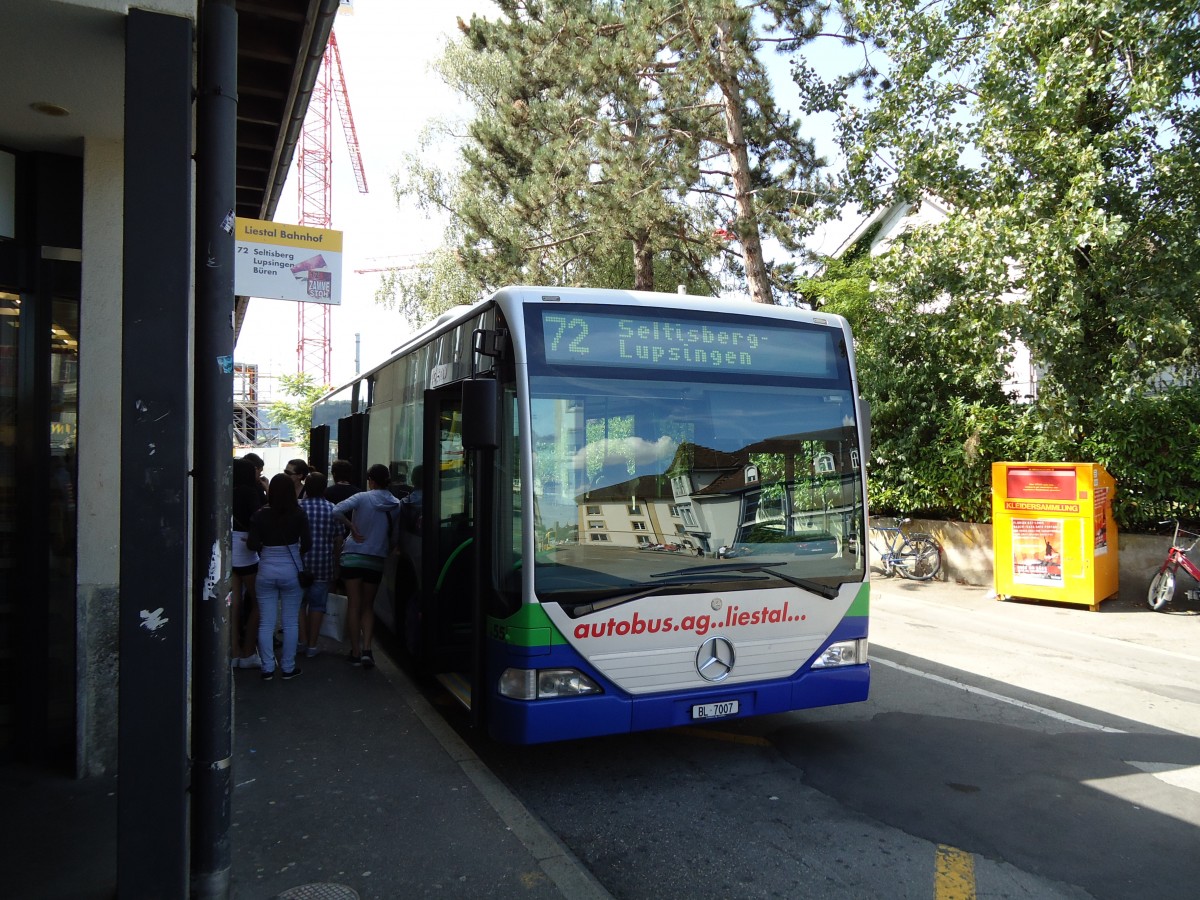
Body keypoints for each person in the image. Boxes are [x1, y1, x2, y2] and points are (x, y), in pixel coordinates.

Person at [332, 463, 400, 668]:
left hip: (353, 556)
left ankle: (355, 651)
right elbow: (395, 536)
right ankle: (368, 650)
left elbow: (336, 510)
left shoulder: (362, 497)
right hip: (376, 559)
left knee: (354, 604)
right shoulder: (396, 504)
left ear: (370, 479)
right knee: (367, 606)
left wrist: (351, 526)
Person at [247, 473, 311, 680]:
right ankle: (288, 667)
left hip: (265, 569)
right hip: (291, 570)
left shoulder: (259, 515)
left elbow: (252, 544)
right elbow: (308, 544)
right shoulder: (299, 514)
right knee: (291, 621)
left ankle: (267, 668)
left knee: (266, 622)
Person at [297, 471, 344, 658]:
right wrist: (336, 564)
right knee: (317, 605)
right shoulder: (333, 509)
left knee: (299, 604)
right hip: (323, 564)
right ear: (325, 488)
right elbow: (338, 539)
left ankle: (301, 640)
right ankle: (312, 645)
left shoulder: (298, 507)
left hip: (299, 564)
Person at [231, 457, 265, 668]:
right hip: (247, 549)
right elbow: (258, 518)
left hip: (228, 547)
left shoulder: (225, 489)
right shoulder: (251, 492)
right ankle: (248, 651)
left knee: (233, 604)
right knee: (259, 601)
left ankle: (233, 651)